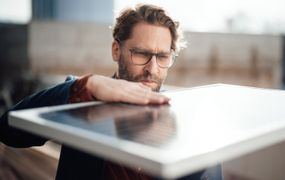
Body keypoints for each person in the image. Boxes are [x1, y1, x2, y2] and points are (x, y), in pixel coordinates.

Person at [0, 4, 222, 180]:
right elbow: (8, 131)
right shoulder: (82, 95)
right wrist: (87, 86)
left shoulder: (184, 116)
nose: (152, 69)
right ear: (116, 50)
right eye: (141, 54)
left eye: (162, 57)